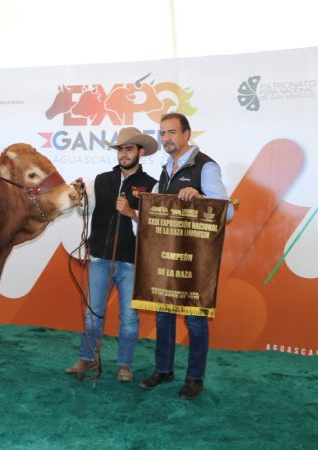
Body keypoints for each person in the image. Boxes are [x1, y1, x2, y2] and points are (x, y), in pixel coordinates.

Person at [139, 112, 234, 399]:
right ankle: (164, 369)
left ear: (186, 134)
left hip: (195, 259)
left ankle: (195, 377)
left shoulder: (205, 167)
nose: (166, 138)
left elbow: (227, 211)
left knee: (194, 320)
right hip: (167, 256)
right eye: (162, 133)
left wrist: (201, 196)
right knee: (163, 315)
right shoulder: (166, 169)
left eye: (171, 132)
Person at [66, 127, 158, 382]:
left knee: (129, 317)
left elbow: (154, 228)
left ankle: (124, 365)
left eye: (129, 149)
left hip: (131, 260)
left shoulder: (152, 185)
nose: (124, 154)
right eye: (120, 149)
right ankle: (87, 358)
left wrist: (132, 213)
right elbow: (85, 212)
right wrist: (79, 199)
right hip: (100, 257)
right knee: (93, 313)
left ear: (140, 151)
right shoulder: (101, 180)